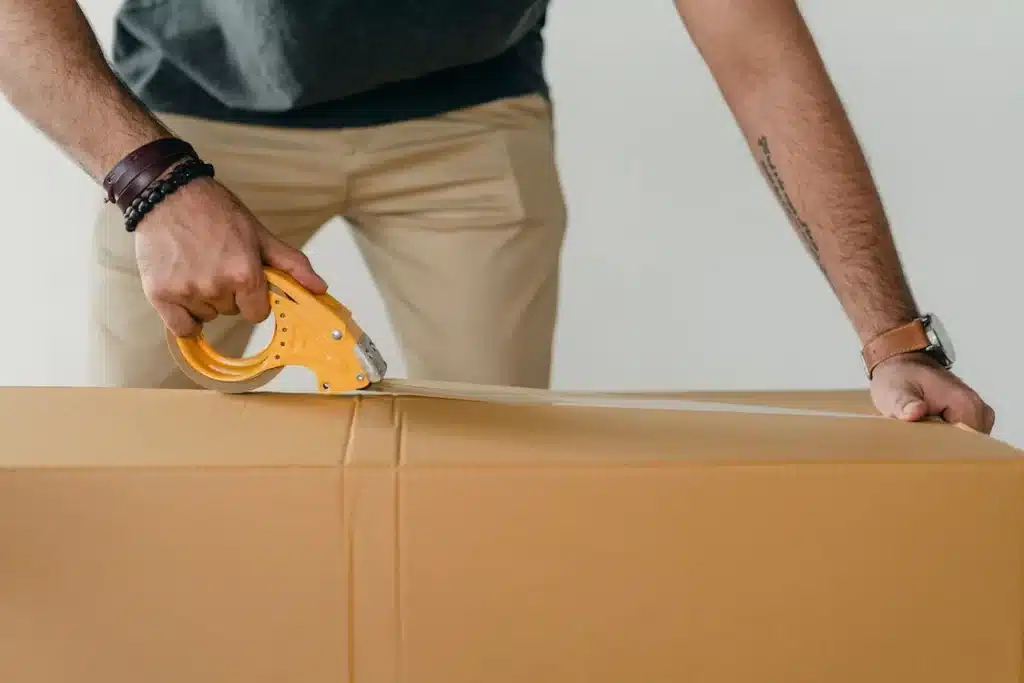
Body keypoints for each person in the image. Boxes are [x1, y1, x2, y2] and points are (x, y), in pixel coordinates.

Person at [0, 0, 995, 433]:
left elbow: (762, 56)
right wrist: (155, 184)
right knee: (145, 452)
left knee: (487, 464)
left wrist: (892, 338)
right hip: (186, 119)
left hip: (466, 119)